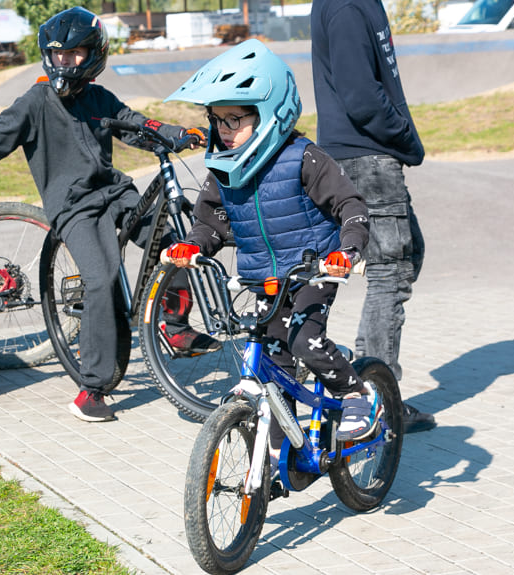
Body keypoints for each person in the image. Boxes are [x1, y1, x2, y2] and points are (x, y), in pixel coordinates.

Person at [0, 7, 212, 422]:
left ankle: (174, 324)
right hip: (74, 208)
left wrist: (174, 133)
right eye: (58, 54)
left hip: (114, 192)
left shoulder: (98, 98)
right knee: (100, 279)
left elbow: (135, 124)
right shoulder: (35, 103)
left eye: (74, 54)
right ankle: (92, 388)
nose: (65, 62)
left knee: (173, 239)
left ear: (93, 55)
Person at [163, 39, 380, 461]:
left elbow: (350, 207)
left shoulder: (304, 158)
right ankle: (286, 457)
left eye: (235, 119)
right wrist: (192, 245)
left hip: (314, 271)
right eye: (217, 120)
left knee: (302, 340)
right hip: (265, 279)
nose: (224, 131)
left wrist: (348, 252)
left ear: (270, 113)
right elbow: (211, 223)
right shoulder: (224, 171)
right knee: (273, 362)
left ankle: (356, 393)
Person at [311, 0, 436, 433]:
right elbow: (362, 98)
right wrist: (405, 139)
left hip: (364, 156)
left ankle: (366, 371)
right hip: (366, 157)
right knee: (390, 275)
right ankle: (377, 400)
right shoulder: (347, 6)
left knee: (407, 256)